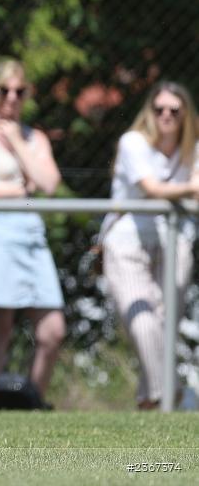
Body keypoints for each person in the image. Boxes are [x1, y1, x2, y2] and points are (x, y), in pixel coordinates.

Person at [0, 59, 64, 407]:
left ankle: (33, 399)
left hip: (30, 234)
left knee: (53, 328)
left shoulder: (34, 137)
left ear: (28, 95)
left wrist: (18, 145)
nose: (11, 98)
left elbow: (50, 184)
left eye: (19, 91)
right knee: (1, 325)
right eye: (4, 90)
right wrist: (23, 188)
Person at [100, 82, 199, 410]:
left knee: (166, 321)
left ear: (185, 114)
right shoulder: (133, 142)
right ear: (149, 112)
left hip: (175, 240)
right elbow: (152, 188)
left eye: (174, 110)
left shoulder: (193, 149)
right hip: (128, 240)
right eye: (159, 110)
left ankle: (149, 401)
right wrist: (189, 188)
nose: (166, 116)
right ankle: (169, 395)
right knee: (142, 318)